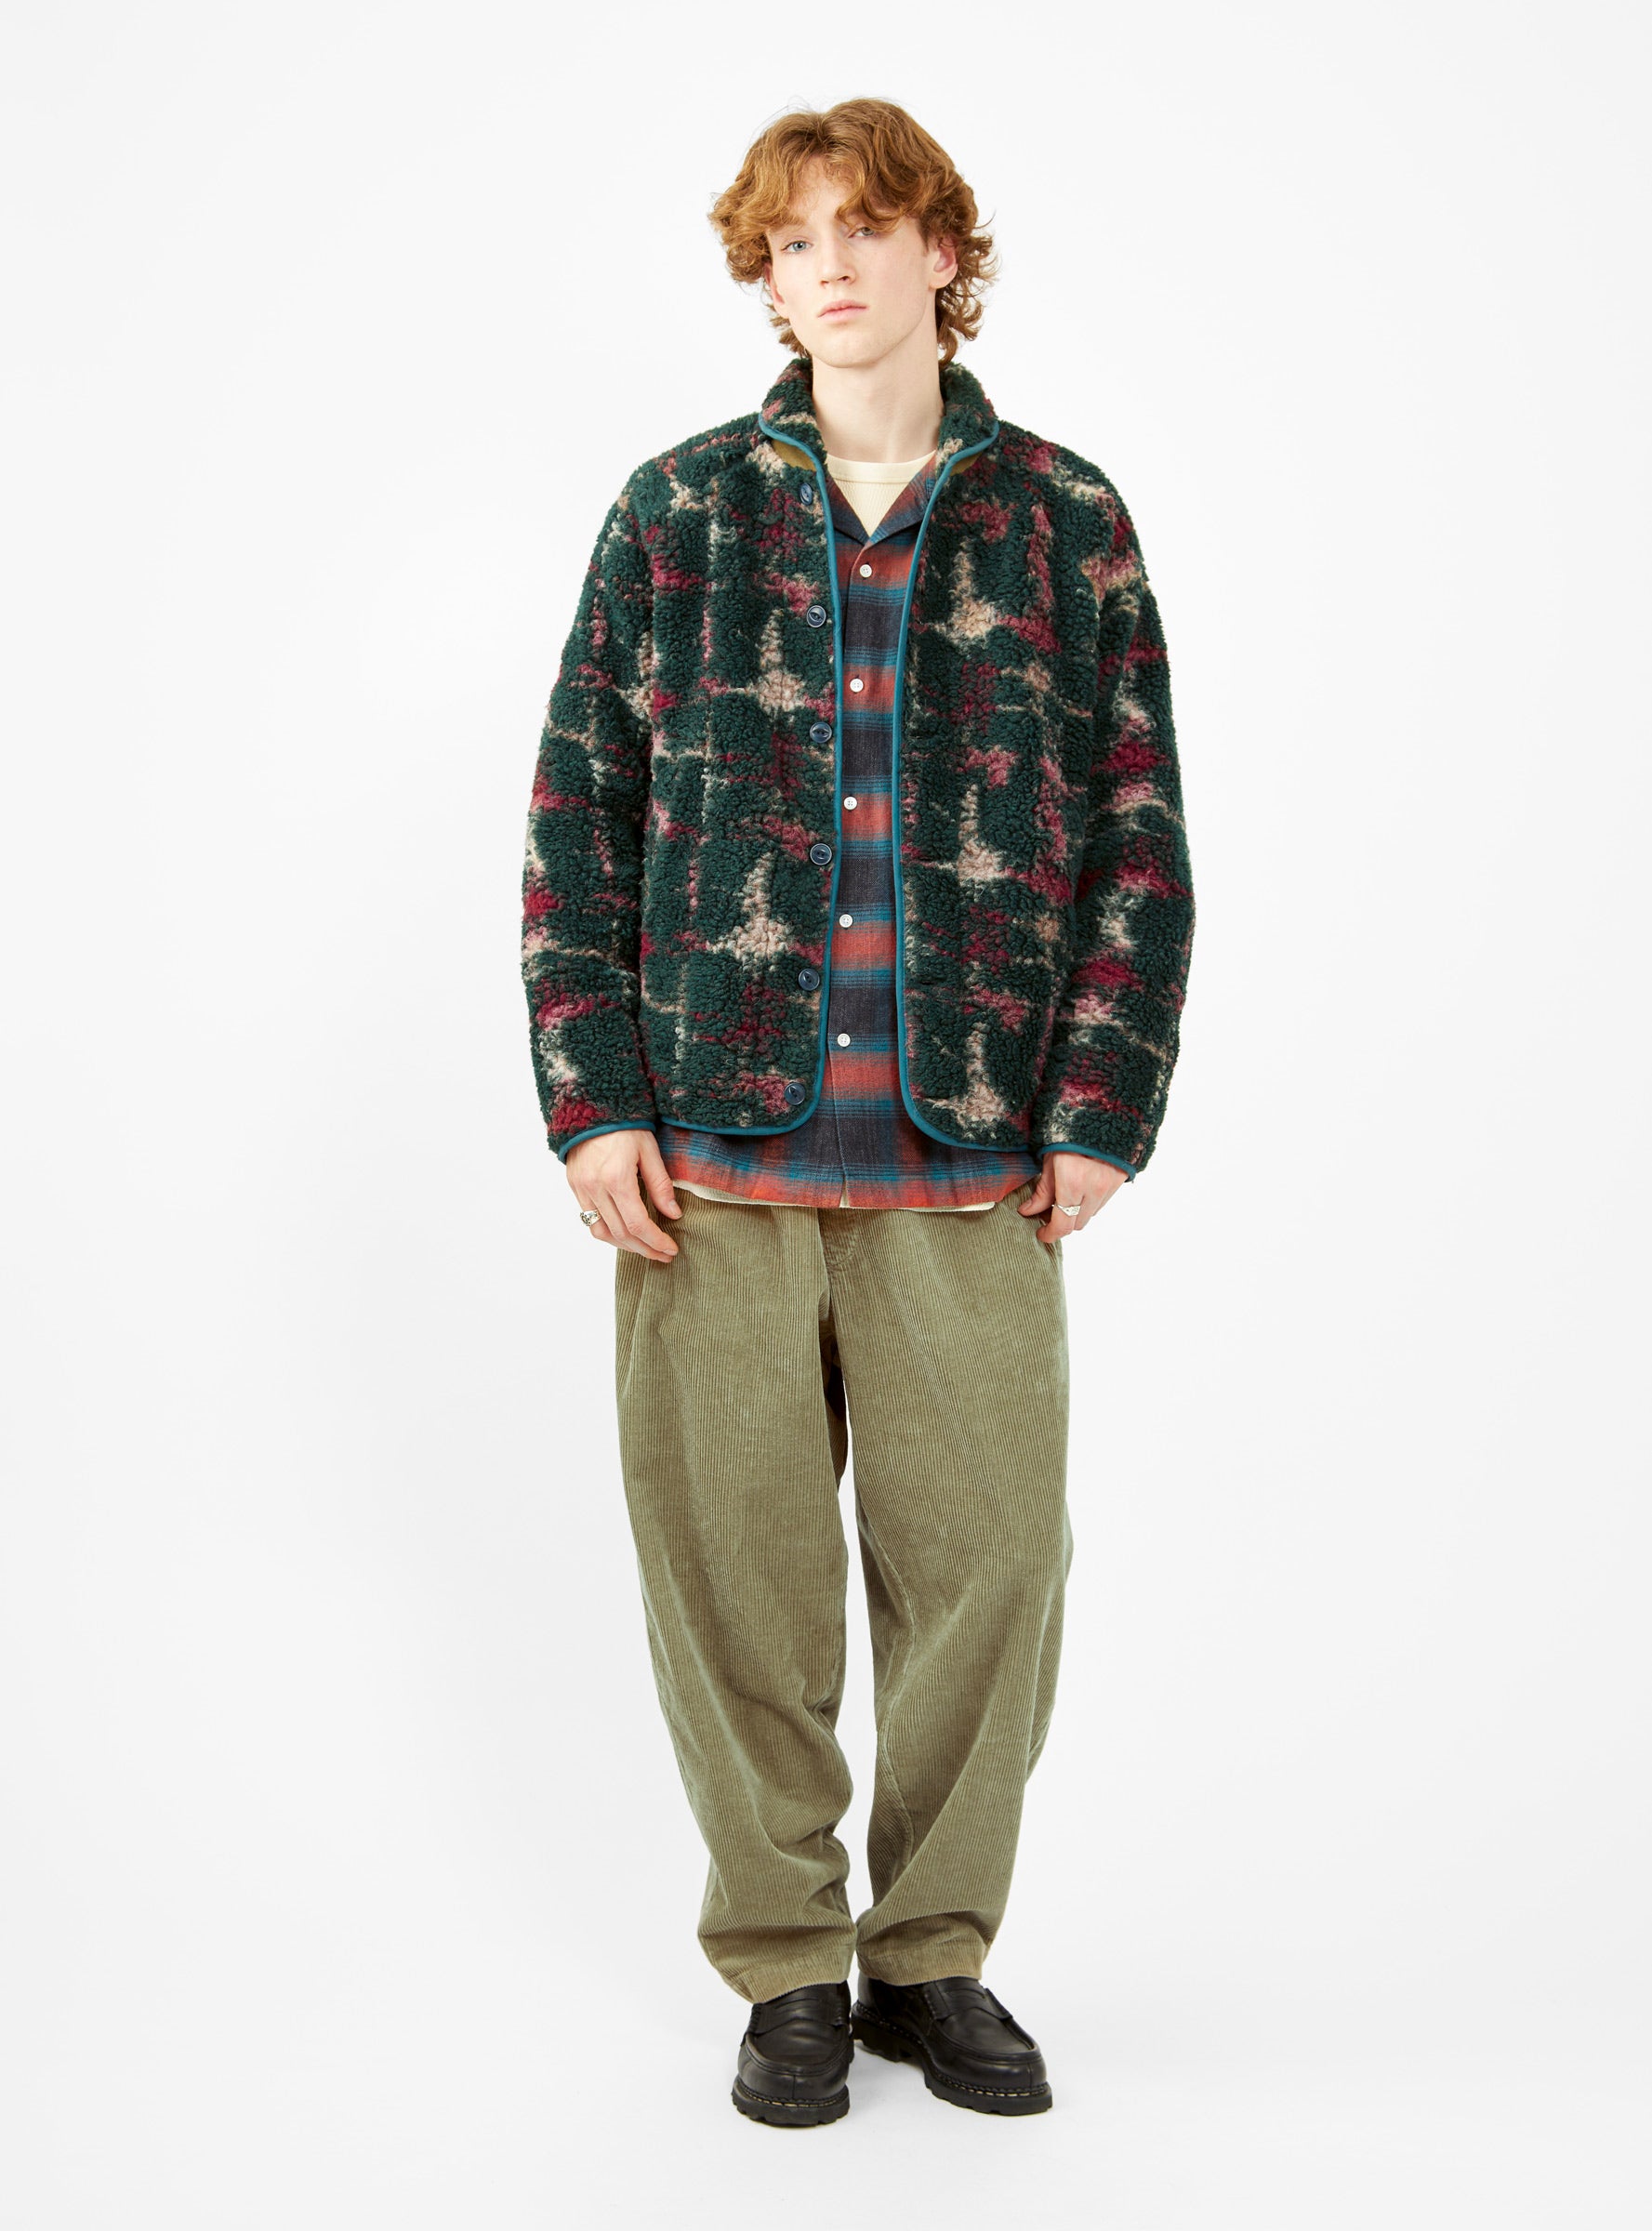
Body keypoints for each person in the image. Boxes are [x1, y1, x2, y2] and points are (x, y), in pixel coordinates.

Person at [519, 96, 1195, 2126]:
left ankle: (931, 1955)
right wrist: (589, 1102)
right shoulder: (676, 510)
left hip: (971, 1157)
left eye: (863, 229)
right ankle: (788, 1961)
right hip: (706, 1157)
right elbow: (578, 815)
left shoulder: (1065, 518)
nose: (824, 265)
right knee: (732, 1582)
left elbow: (1140, 828)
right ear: (765, 273)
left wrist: (1101, 1101)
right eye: (790, 238)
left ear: (937, 256)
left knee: (990, 1572)